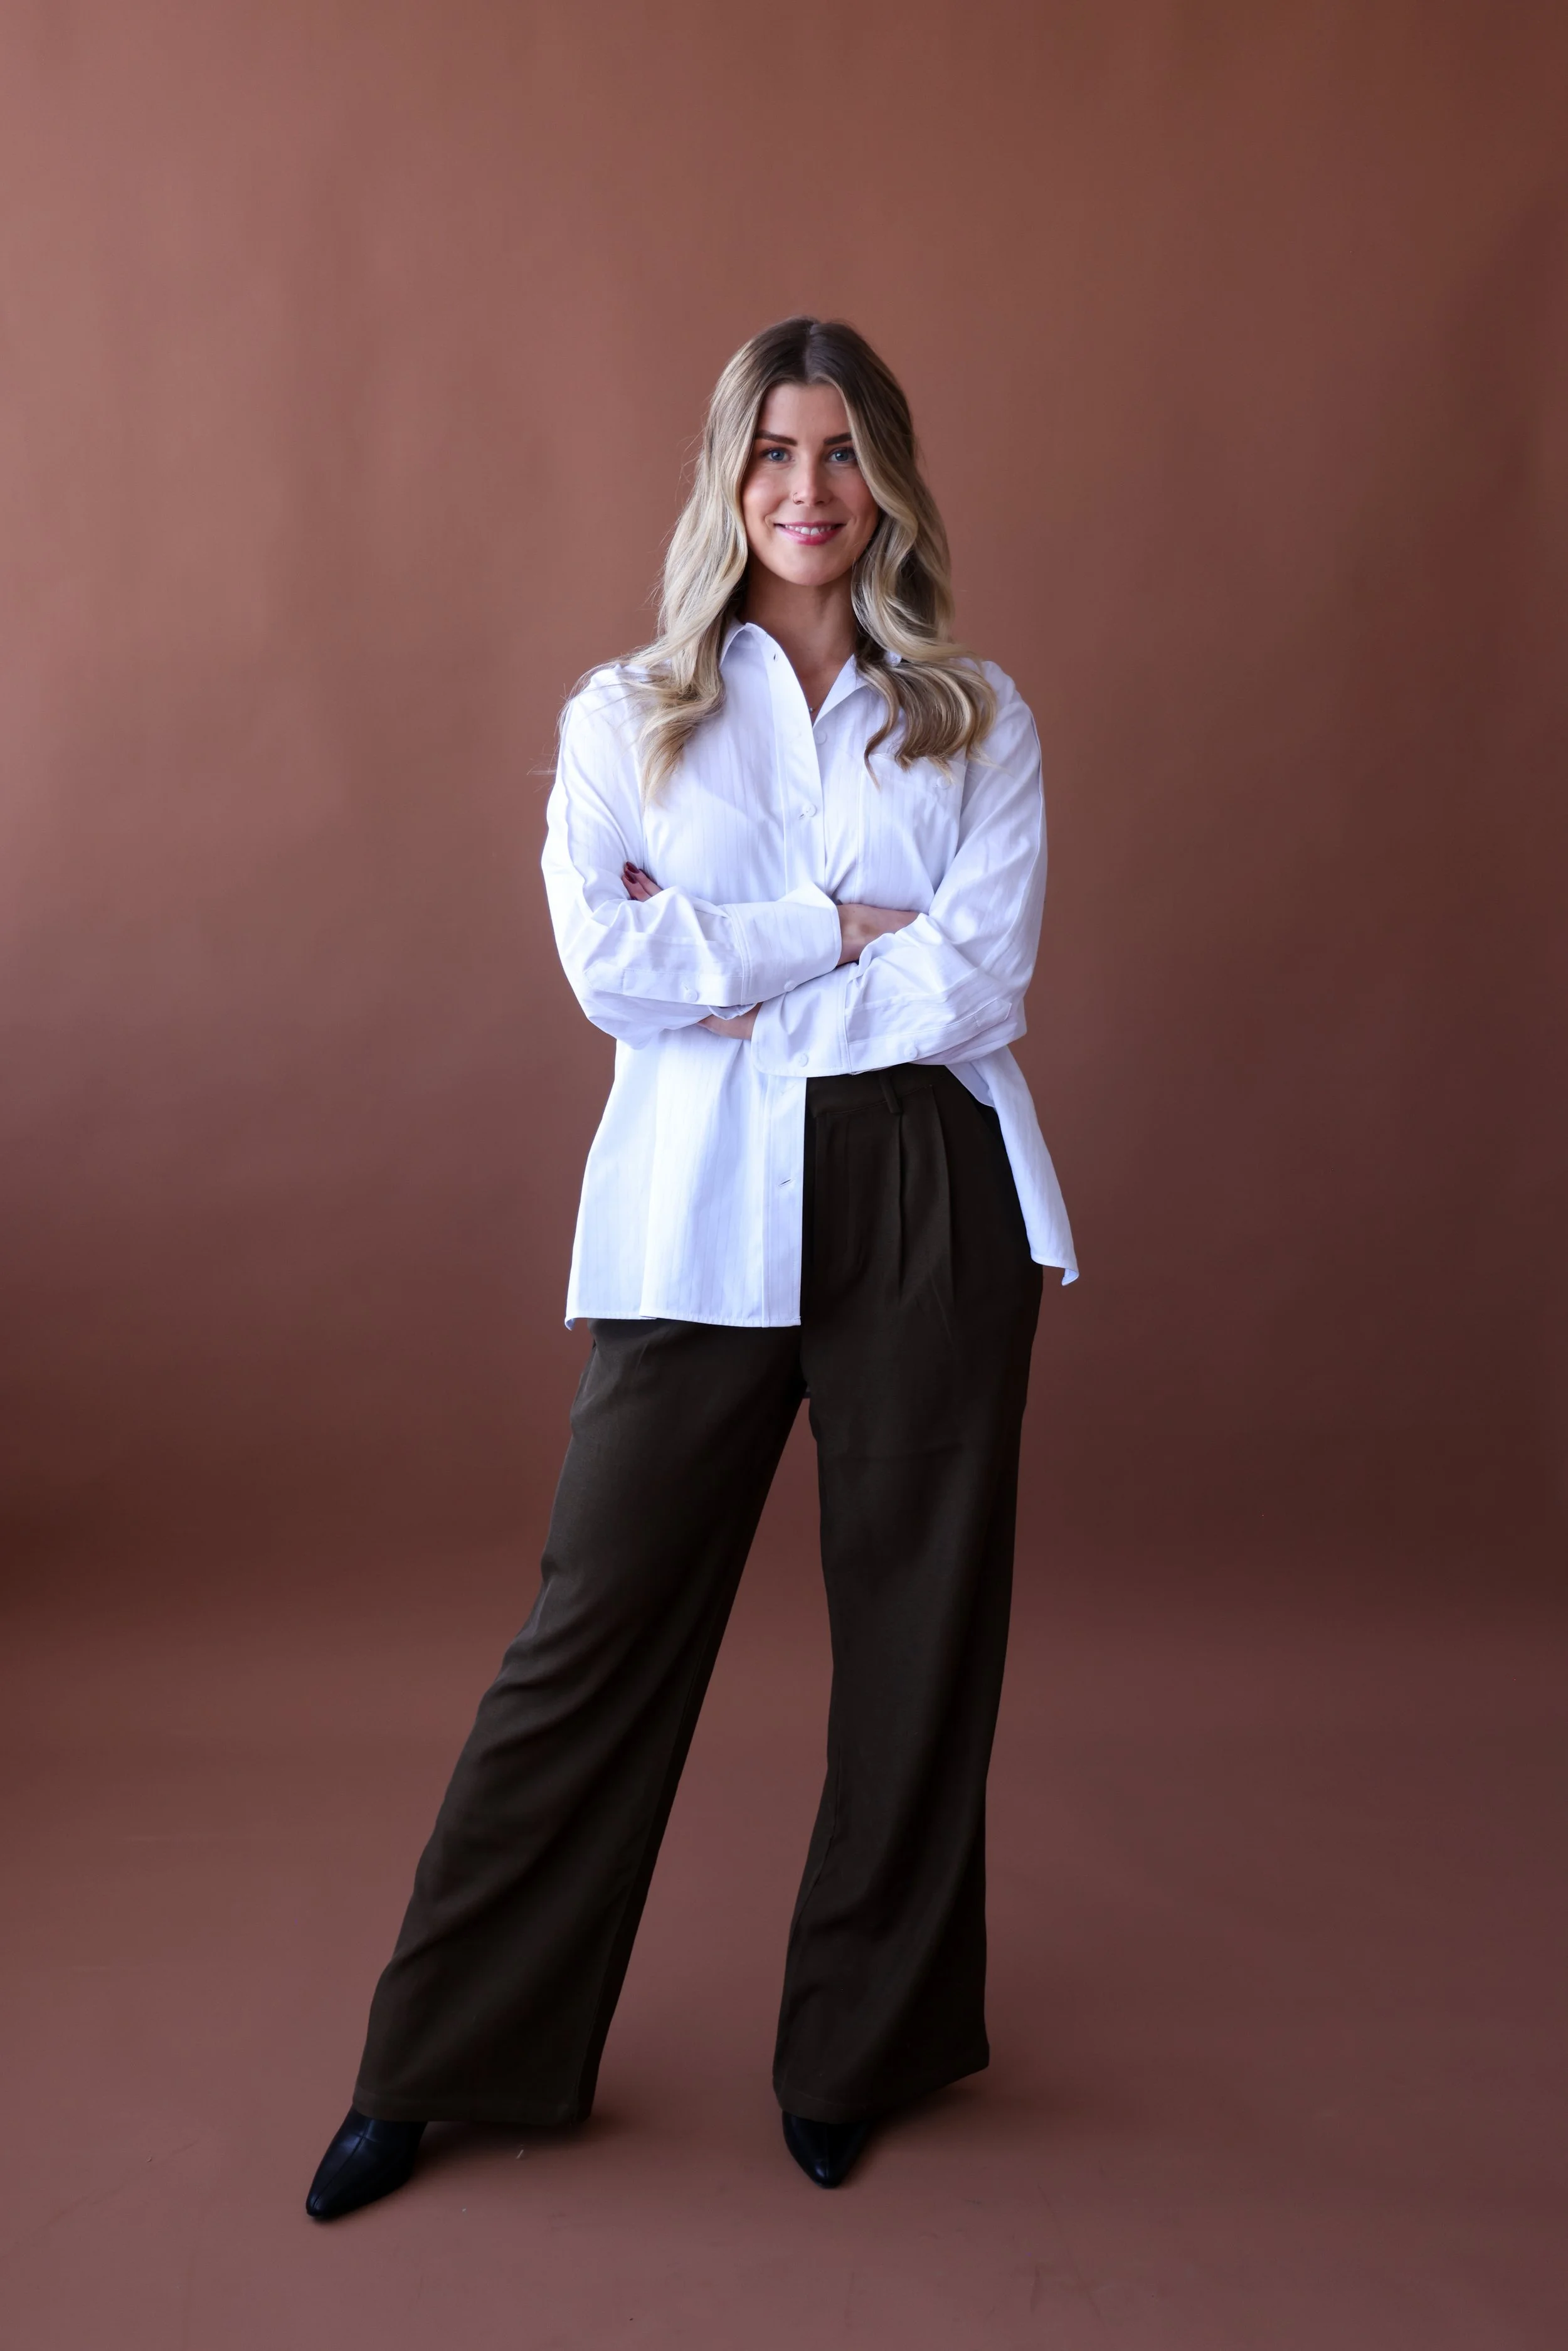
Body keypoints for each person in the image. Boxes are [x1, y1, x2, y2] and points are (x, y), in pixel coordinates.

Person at [305, 315, 1076, 2221]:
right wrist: (828, 926)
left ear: (883, 476)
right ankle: (443, 2059)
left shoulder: (974, 712)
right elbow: (604, 971)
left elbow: (979, 974)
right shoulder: (622, 715)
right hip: (694, 1204)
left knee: (919, 1643)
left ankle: (858, 2050)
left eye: (837, 453)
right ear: (724, 484)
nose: (805, 492)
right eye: (770, 456)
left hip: (926, 1190)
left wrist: (734, 977)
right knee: (591, 1630)